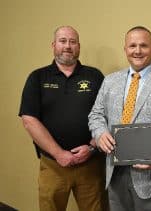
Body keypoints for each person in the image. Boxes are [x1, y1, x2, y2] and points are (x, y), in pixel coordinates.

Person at [88, 26, 151, 211]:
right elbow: (95, 115)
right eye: (132, 45)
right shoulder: (110, 81)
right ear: (125, 49)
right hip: (116, 175)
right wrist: (100, 133)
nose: (137, 51)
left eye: (143, 45)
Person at [19, 26, 107, 211]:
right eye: (63, 41)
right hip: (52, 165)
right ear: (53, 45)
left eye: (72, 42)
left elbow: (108, 115)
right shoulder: (37, 77)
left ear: (79, 47)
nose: (68, 46)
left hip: (90, 164)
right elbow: (29, 120)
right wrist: (59, 154)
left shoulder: (95, 76)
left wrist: (91, 147)